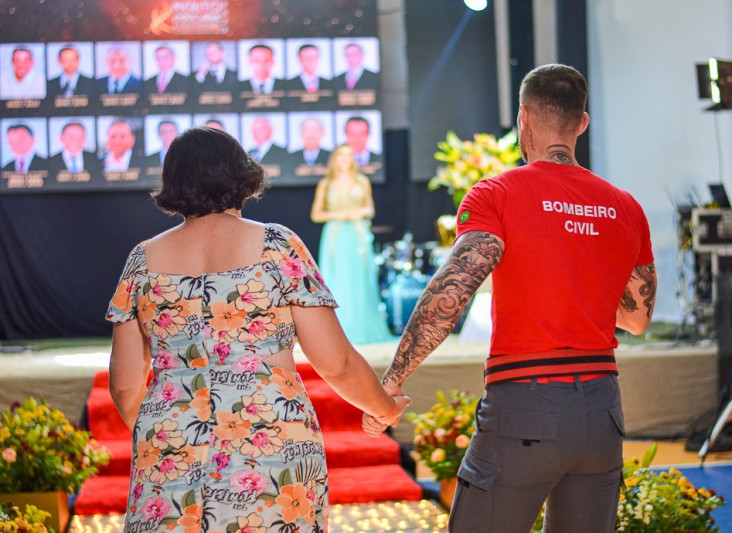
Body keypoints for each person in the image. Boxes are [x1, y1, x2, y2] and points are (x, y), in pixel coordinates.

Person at [363, 64, 657, 532]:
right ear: (582, 122)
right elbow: (638, 319)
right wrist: (581, 280)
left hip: (527, 405)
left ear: (523, 118)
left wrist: (394, 378)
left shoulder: (497, 193)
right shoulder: (624, 205)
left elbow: (454, 290)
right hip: (603, 410)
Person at [106, 126, 409, 532]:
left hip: (169, 437)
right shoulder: (276, 246)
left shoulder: (142, 260)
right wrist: (384, 409)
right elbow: (335, 363)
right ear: (242, 175)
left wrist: (168, 434)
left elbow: (125, 386)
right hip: (269, 435)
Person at [310, 144, 393, 344]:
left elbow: (370, 209)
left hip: (357, 233)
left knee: (360, 279)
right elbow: (316, 214)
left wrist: (356, 213)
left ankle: (363, 327)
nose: (345, 160)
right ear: (335, 159)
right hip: (336, 235)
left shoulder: (362, 181)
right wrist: (339, 215)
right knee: (337, 278)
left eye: (349, 156)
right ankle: (339, 331)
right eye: (341, 156)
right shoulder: (326, 183)